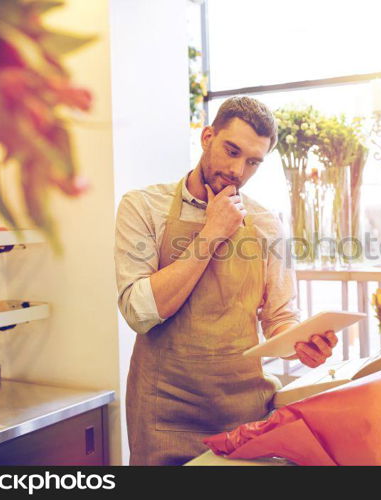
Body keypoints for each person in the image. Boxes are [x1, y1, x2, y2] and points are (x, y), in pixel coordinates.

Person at [114, 96, 338, 465]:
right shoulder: (142, 208)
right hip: (163, 418)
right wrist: (212, 232)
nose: (238, 170)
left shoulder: (266, 224)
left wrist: (301, 344)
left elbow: (280, 317)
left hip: (245, 416)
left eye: (252, 162)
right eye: (231, 151)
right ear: (207, 137)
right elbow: (139, 312)